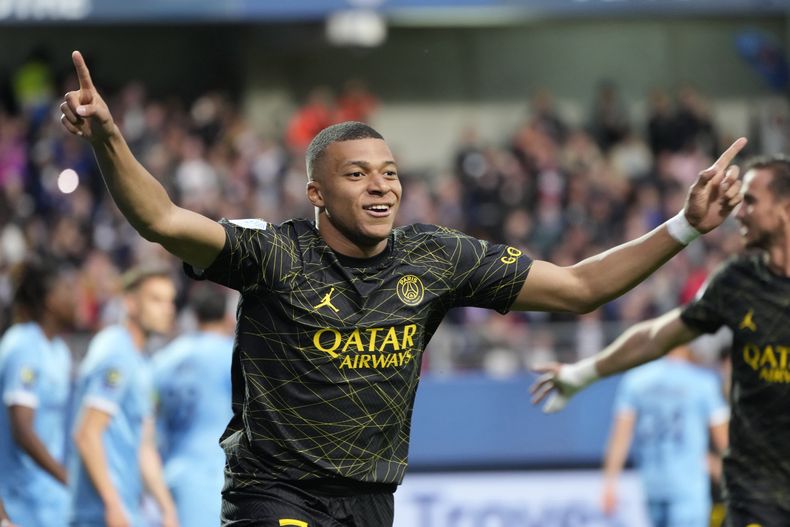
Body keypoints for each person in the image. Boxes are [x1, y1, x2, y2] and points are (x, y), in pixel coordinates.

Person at [60, 49, 746, 526]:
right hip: (274, 495)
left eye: (388, 170)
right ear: (316, 192)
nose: (381, 183)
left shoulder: (436, 258)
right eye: (356, 173)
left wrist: (685, 225)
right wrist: (109, 138)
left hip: (371, 502)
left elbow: (576, 288)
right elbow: (159, 217)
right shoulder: (272, 255)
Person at [532, 154, 790, 526]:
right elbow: (655, 337)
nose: (739, 213)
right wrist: (581, 374)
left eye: (750, 201)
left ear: (785, 208)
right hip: (757, 495)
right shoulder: (737, 282)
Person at [69, 266, 179, 527]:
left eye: (170, 301)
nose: (168, 309)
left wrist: (167, 509)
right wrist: (112, 504)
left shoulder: (141, 361)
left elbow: (145, 446)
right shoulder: (115, 351)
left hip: (127, 511)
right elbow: (87, 434)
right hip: (99, 514)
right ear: (130, 303)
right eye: (156, 299)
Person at [600, 344, 729, 527]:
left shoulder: (636, 379)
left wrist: (610, 483)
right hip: (689, 488)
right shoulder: (703, 382)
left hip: (652, 486)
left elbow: (620, 437)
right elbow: (724, 441)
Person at [152, 283, 234, 527]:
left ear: (194, 316)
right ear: (228, 318)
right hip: (217, 475)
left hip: (172, 473)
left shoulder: (164, 358)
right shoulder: (232, 355)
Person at [0, 260, 74, 527]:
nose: (76, 297)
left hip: (50, 499)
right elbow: (22, 430)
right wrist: (68, 478)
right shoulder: (22, 345)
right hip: (20, 501)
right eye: (68, 289)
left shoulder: (59, 351)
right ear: (50, 300)